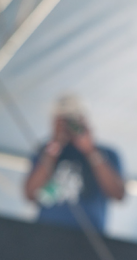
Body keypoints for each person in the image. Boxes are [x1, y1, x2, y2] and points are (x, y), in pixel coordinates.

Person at [24, 95, 125, 232]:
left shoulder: (107, 154)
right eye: (63, 120)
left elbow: (118, 194)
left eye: (73, 119)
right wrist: (56, 145)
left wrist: (90, 150)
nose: (69, 126)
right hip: (45, 234)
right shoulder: (45, 151)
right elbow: (30, 193)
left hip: (88, 238)